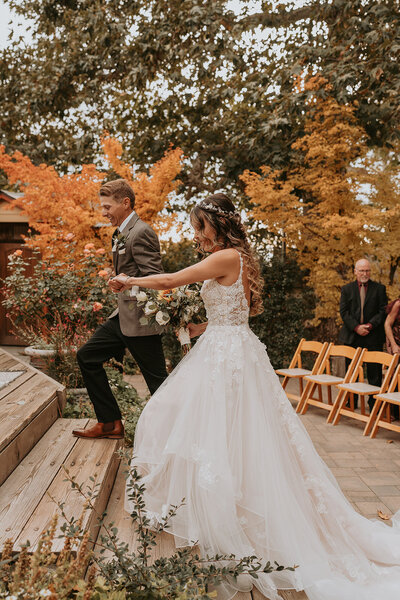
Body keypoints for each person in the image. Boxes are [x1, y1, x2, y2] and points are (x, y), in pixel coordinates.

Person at [112, 193, 400, 600]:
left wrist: (129, 280)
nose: (198, 234)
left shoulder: (227, 257)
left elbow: (171, 279)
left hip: (228, 358)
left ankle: (233, 518)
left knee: (191, 420)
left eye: (200, 226)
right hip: (228, 348)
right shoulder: (238, 258)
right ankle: (226, 509)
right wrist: (193, 328)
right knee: (220, 429)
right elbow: (228, 315)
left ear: (217, 223)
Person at [72, 179, 168, 440]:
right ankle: (109, 423)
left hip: (141, 322)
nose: (103, 213)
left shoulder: (141, 232)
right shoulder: (120, 233)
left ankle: (177, 435)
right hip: (121, 317)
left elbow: (156, 278)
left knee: (159, 385)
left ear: (125, 203)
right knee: (87, 356)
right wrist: (119, 280)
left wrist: (127, 281)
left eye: (107, 206)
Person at [338, 259, 387, 410]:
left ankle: (374, 405)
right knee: (351, 371)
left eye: (367, 270)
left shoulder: (379, 289)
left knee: (375, 373)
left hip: (373, 337)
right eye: (361, 270)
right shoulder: (347, 289)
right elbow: (344, 312)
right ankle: (351, 403)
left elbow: (383, 311)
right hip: (353, 337)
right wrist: (356, 327)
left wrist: (370, 325)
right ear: (355, 271)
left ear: (370, 271)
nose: (364, 273)